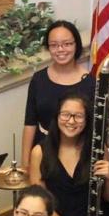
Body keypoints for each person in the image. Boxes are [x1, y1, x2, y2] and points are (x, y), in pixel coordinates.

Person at [21, 20, 94, 169]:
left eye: (67, 44)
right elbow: (30, 123)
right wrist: (25, 162)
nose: (60, 50)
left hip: (77, 154)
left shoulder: (91, 83)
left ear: (76, 45)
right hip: (42, 152)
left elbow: (94, 128)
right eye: (54, 45)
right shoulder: (38, 79)